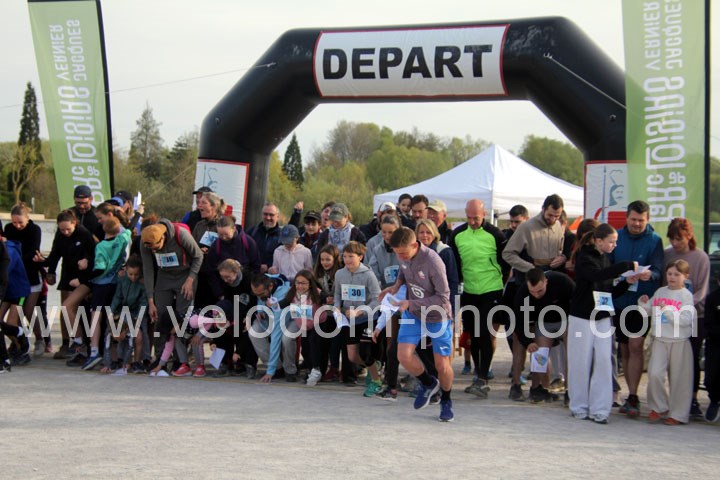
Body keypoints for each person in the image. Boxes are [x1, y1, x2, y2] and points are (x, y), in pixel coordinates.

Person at [379, 227, 455, 421]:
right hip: (413, 314)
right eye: (397, 254)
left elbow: (443, 298)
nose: (401, 257)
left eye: (403, 253)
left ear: (415, 245)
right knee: (403, 356)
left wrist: (410, 303)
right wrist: (395, 287)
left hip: (437, 315)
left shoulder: (433, 262)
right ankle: (429, 384)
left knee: (442, 364)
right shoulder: (403, 255)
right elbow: (403, 272)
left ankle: (446, 400)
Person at [567, 223, 637, 424]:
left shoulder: (606, 258)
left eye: (615, 242)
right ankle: (579, 406)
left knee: (605, 361)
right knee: (580, 361)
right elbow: (596, 276)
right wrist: (626, 266)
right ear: (598, 241)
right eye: (611, 241)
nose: (614, 245)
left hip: (603, 316)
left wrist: (626, 283)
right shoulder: (584, 258)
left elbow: (608, 291)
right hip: (582, 317)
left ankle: (600, 408)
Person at [448, 199, 507, 398]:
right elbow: (455, 263)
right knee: (473, 335)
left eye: (476, 218)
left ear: (484, 214)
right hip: (469, 290)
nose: (473, 221)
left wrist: (501, 282)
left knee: (484, 333)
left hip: (491, 289)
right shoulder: (457, 234)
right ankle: (478, 373)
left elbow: (505, 262)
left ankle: (482, 377)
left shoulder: (495, 234)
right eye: (469, 218)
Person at [609, 200, 664, 417]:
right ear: (627, 218)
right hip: (620, 301)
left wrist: (651, 274)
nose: (637, 224)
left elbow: (659, 269)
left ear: (647, 220)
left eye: (641, 220)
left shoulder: (655, 240)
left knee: (636, 344)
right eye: (633, 219)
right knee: (624, 348)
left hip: (641, 303)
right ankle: (629, 396)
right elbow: (608, 265)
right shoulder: (618, 237)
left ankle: (633, 395)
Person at [34, 210, 96, 362]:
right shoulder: (60, 235)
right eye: (62, 230)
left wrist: (87, 263)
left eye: (68, 229)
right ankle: (72, 342)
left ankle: (83, 343)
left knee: (77, 309)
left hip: (84, 277)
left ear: (74, 223)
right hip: (68, 275)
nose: (65, 232)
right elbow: (54, 256)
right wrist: (44, 264)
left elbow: (94, 255)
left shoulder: (84, 234)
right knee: (67, 309)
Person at [639, 259, 696, 425]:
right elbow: (648, 310)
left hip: (679, 341)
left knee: (680, 379)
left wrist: (668, 311)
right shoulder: (660, 291)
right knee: (654, 373)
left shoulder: (686, 295)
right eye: (669, 274)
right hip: (660, 339)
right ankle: (659, 407)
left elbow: (686, 320)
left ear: (685, 276)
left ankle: (678, 414)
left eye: (677, 274)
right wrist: (642, 303)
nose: (672, 277)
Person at [664, 217, 710, 418]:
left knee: (691, 357)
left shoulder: (701, 257)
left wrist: (685, 305)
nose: (675, 243)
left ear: (689, 236)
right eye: (672, 239)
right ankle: (675, 396)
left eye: (679, 239)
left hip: (695, 316)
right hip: (671, 317)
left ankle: (692, 398)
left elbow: (702, 290)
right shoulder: (667, 255)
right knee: (673, 358)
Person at [511, 268, 574, 402]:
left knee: (572, 352)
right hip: (543, 322)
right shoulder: (523, 292)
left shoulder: (562, 281)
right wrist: (528, 342)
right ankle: (537, 388)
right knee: (539, 353)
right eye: (532, 291)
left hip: (567, 319)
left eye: (539, 291)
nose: (536, 295)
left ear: (546, 281)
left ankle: (571, 390)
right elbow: (519, 321)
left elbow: (578, 301)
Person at [81, 218, 132, 370]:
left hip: (101, 285)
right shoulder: (123, 239)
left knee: (95, 317)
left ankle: (94, 351)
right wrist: (137, 213)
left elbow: (100, 268)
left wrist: (84, 278)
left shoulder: (101, 246)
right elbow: (129, 228)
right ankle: (114, 356)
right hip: (116, 284)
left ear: (104, 229)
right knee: (112, 317)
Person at [334, 241, 382, 397]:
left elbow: (377, 300)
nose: (347, 260)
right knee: (352, 357)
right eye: (345, 256)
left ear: (360, 257)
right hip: (350, 321)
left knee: (365, 352)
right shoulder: (339, 274)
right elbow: (337, 294)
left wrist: (360, 311)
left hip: (368, 319)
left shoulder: (368, 275)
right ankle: (374, 366)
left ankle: (376, 381)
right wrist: (336, 308)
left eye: (351, 256)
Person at [140, 219, 203, 337]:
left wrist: (190, 280)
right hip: (164, 275)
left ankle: (180, 347)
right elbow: (148, 269)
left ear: (162, 238)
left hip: (185, 275)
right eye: (151, 249)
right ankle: (162, 348)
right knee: (160, 314)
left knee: (182, 316)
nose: (154, 251)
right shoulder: (145, 240)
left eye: (156, 248)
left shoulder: (181, 234)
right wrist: (150, 300)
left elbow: (198, 256)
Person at [3, 203, 45, 355]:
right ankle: (18, 342)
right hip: (14, 279)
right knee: (13, 315)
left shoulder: (34, 230)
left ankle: (40, 338)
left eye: (20, 222)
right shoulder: (8, 229)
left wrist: (15, 261)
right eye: (14, 222)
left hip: (31, 277)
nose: (17, 225)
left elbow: (33, 251)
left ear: (28, 218)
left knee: (28, 310)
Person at [285, 269, 335, 386]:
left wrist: (328, 299)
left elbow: (326, 297)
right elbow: (283, 302)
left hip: (318, 323)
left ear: (310, 284)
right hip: (304, 325)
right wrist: (273, 304)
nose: (300, 286)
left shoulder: (316, 292)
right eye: (297, 282)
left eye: (303, 283)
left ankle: (317, 369)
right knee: (305, 349)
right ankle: (311, 368)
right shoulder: (293, 293)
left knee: (315, 344)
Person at [502, 194, 567, 283]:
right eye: (550, 215)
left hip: (552, 278)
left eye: (557, 216)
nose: (553, 219)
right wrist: (530, 268)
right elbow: (508, 254)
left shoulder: (558, 225)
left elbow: (560, 250)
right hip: (530, 280)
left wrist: (563, 258)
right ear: (543, 209)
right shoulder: (526, 227)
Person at [250, 272, 299, 383]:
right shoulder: (265, 280)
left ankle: (290, 370)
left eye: (261, 294)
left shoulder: (282, 294)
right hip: (269, 316)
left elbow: (275, 335)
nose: (259, 296)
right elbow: (260, 299)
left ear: (271, 286)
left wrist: (269, 371)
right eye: (255, 294)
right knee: (253, 332)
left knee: (285, 338)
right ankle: (277, 368)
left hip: (291, 318)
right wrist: (261, 310)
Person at [109, 254, 148, 374]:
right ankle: (117, 360)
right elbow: (117, 297)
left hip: (136, 313)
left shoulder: (142, 284)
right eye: (130, 274)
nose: (133, 277)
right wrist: (111, 311)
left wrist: (137, 318)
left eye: (136, 274)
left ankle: (137, 361)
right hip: (122, 311)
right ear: (126, 270)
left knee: (139, 336)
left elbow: (144, 302)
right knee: (117, 334)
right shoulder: (122, 280)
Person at [0, 238, 32, 367]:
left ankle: (22, 348)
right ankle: (17, 341)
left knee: (11, 323)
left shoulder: (10, 250)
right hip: (6, 293)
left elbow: (4, 270)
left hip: (19, 292)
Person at [314, 244, 343, 382]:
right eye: (322, 259)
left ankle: (335, 367)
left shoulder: (341, 273)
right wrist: (325, 297)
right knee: (324, 342)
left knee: (336, 343)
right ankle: (322, 368)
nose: (324, 262)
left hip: (340, 312)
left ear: (335, 259)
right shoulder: (318, 274)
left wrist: (335, 300)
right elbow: (315, 292)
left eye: (328, 259)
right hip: (325, 312)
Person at [247, 202, 283, 273]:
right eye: (265, 214)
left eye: (271, 215)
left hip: (272, 275)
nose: (268, 218)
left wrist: (268, 265)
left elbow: (285, 256)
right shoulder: (252, 232)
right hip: (252, 273)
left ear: (278, 217)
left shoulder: (282, 236)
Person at [703, 274, 720, 423]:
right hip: (715, 342)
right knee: (711, 378)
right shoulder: (712, 298)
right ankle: (714, 400)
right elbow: (708, 323)